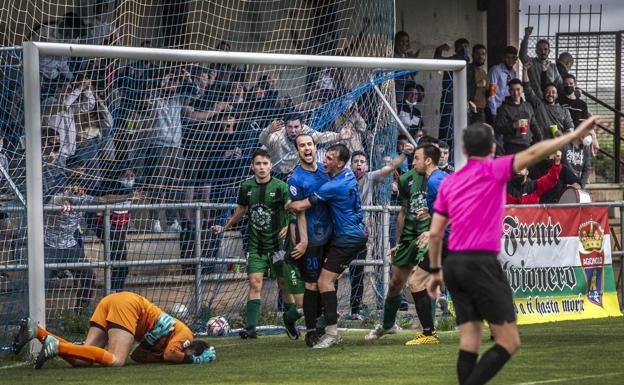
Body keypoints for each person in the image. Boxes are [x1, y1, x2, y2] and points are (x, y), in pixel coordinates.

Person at [426, 116, 601, 385]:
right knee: (508, 341)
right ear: (494, 149)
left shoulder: (449, 182)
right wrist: (573, 135)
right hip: (481, 262)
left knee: (470, 340)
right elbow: (533, 152)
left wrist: (436, 270)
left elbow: (436, 232)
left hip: (453, 264)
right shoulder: (493, 170)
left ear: (463, 150)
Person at [287, 143, 368, 349]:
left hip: (346, 238)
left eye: (330, 158)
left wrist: (287, 203)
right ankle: (317, 326)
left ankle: (330, 333)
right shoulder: (348, 174)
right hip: (347, 235)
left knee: (323, 282)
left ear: (340, 163)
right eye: (325, 156)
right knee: (322, 283)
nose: (325, 160)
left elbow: (300, 206)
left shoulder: (332, 186)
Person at [365, 143, 446, 345]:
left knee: (420, 282)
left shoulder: (437, 180)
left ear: (428, 159)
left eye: (416, 157)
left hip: (437, 238)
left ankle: (429, 332)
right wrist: (400, 241)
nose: (413, 161)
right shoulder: (409, 179)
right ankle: (389, 325)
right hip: (413, 239)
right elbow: (403, 211)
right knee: (397, 283)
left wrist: (432, 229)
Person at [13, 292, 215, 368]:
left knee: (82, 361)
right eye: (188, 354)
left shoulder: (168, 345)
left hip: (115, 301)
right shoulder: (185, 335)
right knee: (116, 360)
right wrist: (193, 361)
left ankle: (37, 331)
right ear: (193, 348)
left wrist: (149, 342)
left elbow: (137, 356)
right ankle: (56, 346)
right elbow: (172, 354)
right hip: (128, 306)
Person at [212, 149, 291, 339]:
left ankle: (290, 321)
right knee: (255, 283)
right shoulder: (246, 187)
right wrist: (225, 226)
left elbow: (290, 209)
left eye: (265, 163)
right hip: (256, 245)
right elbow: (241, 209)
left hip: (278, 247)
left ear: (271, 165)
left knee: (283, 284)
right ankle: (251, 327)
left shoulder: (280, 187)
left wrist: (288, 226)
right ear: (252, 166)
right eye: (258, 164)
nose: (262, 167)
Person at [348, 145, 414, 320]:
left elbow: (390, 168)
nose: (359, 165)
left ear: (367, 166)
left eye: (362, 162)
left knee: (358, 270)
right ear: (350, 165)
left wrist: (404, 155)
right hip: (340, 230)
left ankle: (355, 309)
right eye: (355, 162)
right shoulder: (343, 178)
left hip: (360, 232)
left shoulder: (370, 178)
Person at [287, 134, 333, 347]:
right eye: (301, 146)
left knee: (329, 281)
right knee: (312, 284)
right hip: (312, 238)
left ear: (316, 147)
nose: (306, 148)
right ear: (297, 151)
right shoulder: (296, 179)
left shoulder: (327, 171)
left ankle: (324, 325)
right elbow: (299, 213)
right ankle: (312, 330)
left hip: (331, 236)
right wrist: (304, 241)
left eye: (309, 144)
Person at [522, 62, 574, 140]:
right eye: (548, 92)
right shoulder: (539, 104)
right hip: (541, 144)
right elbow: (527, 88)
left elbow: (570, 129)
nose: (550, 94)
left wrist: (562, 135)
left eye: (553, 92)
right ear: (544, 93)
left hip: (559, 145)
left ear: (557, 95)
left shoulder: (564, 111)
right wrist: (525, 71)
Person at [493, 78, 542, 154]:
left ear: (522, 89)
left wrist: (541, 140)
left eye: (518, 89)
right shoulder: (504, 108)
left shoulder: (528, 106)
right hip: (512, 146)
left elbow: (534, 125)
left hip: (528, 145)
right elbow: (498, 129)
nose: (515, 93)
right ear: (509, 91)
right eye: (512, 90)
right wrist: (513, 125)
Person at [520, 26, 562, 99]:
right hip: (533, 99)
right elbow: (522, 54)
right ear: (536, 51)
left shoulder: (553, 67)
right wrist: (526, 36)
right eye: (540, 49)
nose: (543, 52)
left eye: (545, 49)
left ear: (549, 51)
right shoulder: (531, 62)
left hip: (549, 100)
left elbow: (559, 84)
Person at [486, 46, 518, 120]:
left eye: (513, 57)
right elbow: (491, 92)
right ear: (503, 57)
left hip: (506, 108)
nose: (510, 60)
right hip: (495, 108)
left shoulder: (513, 73)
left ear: (516, 59)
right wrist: (493, 111)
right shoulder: (496, 70)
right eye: (508, 57)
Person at [467, 44, 488, 123]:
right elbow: (463, 87)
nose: (480, 56)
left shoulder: (483, 72)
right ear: (472, 55)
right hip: (472, 108)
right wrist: (477, 84)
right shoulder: (468, 69)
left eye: (483, 54)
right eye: (478, 54)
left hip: (481, 108)